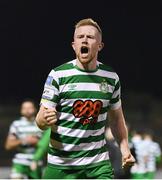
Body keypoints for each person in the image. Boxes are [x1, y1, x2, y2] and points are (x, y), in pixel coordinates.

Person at [36, 18, 135, 179]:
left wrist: (125, 149)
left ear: (100, 45)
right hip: (61, 165)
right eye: (80, 36)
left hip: (97, 165)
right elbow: (39, 121)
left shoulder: (111, 78)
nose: (84, 40)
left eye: (90, 37)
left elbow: (116, 120)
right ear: (74, 45)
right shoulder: (58, 75)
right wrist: (45, 119)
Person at [5, 100, 43, 179]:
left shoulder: (40, 124)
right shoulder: (16, 124)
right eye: (24, 108)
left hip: (36, 161)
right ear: (21, 110)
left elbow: (46, 144)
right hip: (20, 160)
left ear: (35, 109)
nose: (27, 110)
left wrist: (37, 142)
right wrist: (24, 140)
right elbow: (8, 145)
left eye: (30, 108)